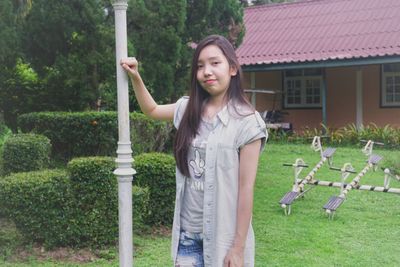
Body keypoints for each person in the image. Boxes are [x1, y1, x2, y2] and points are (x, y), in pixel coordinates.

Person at [121, 34, 267, 267]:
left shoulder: (248, 122)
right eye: (200, 66)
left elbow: (245, 189)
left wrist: (238, 249)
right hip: (187, 236)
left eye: (215, 63)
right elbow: (152, 110)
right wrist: (136, 77)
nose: (207, 71)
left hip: (223, 238)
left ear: (232, 68)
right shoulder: (187, 109)